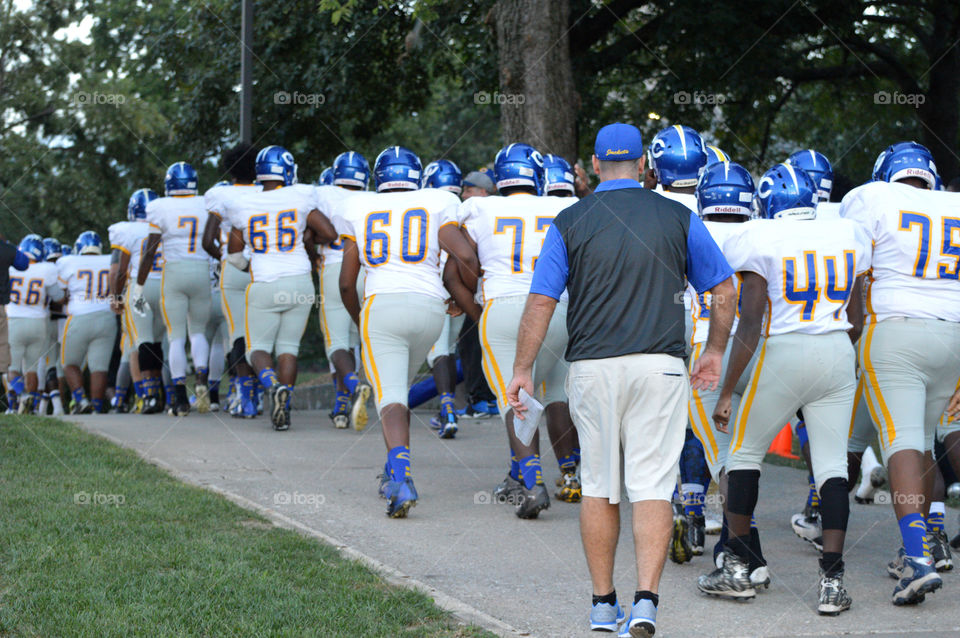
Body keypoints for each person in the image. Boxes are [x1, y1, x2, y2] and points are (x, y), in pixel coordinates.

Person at [506, 123, 735, 637]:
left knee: (600, 488)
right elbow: (723, 287)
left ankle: (602, 605)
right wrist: (715, 350)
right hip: (661, 364)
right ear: (644, 166)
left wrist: (522, 369)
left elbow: (542, 300)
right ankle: (647, 601)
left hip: (592, 365)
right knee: (653, 485)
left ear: (592, 164)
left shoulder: (569, 219)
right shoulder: (679, 215)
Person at [698, 162, 869, 616]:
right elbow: (857, 315)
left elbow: (749, 322)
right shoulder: (844, 233)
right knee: (832, 467)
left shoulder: (760, 236)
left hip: (782, 351)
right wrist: (829, 347)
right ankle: (832, 581)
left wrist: (727, 390)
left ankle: (736, 566)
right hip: (835, 349)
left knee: (741, 455)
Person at [843, 141, 960, 604]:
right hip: (952, 332)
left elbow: (849, 268)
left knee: (901, 442)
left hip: (894, 328)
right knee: (927, 439)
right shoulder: (953, 203)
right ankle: (925, 538)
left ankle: (918, 560)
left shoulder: (870, 198)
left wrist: (846, 334)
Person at [443, 143, 581, 517]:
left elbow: (455, 269)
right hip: (557, 308)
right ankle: (544, 474)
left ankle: (533, 482)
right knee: (552, 394)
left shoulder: (479, 206)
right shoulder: (562, 206)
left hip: (504, 306)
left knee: (515, 399)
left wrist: (476, 311)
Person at [336, 145, 470, 518]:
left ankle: (401, 478)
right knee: (398, 392)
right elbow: (467, 256)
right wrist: (463, 296)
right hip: (430, 309)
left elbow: (347, 282)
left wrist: (359, 316)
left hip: (384, 305)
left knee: (391, 396)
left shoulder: (358, 206)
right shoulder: (437, 201)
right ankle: (392, 471)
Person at [682, 161, 760, 576]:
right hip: (760, 353)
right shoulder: (762, 231)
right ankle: (745, 548)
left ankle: (739, 553)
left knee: (725, 461)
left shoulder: (691, 229)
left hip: (709, 350)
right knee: (745, 457)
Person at [224, 145, 336, 430]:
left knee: (257, 349)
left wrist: (255, 267)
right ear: (287, 169)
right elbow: (330, 233)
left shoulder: (244, 204)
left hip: (264, 282)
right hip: (299, 280)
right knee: (289, 349)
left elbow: (234, 255)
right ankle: (283, 408)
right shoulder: (300, 196)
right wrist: (303, 236)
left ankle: (273, 386)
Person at [136, 161, 212, 416]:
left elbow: (150, 251)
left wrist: (139, 284)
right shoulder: (206, 202)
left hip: (175, 272)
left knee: (176, 337)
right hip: (201, 270)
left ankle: (179, 399)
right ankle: (201, 382)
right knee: (198, 332)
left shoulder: (160, 207)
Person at [313, 150, 372, 431]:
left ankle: (352, 388)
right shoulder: (373, 198)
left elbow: (309, 230)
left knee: (336, 342)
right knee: (360, 339)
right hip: (368, 271)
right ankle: (340, 405)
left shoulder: (321, 193)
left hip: (336, 268)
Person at [202, 144, 262, 418]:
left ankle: (244, 393)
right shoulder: (268, 192)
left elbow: (207, 240)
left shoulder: (221, 195)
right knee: (261, 333)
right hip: (264, 269)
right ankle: (259, 393)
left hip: (234, 270)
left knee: (238, 333)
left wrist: (227, 257)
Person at [109, 188, 165, 414]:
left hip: (140, 292)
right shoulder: (166, 224)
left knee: (142, 341)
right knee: (163, 343)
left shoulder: (126, 230)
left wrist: (116, 295)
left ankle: (148, 396)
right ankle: (170, 396)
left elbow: (120, 271)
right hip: (165, 289)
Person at [422, 158, 464, 438]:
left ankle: (448, 410)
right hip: (458, 284)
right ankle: (445, 408)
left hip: (432, 283)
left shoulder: (423, 206)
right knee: (447, 350)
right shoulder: (464, 208)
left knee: (438, 352)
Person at [57, 231, 117, 414]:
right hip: (106, 317)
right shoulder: (110, 259)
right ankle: (97, 408)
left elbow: (61, 294)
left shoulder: (68, 262)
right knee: (99, 367)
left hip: (79, 316)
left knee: (68, 363)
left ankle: (81, 400)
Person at [6, 234, 62, 414]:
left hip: (14, 321)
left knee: (11, 367)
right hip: (39, 323)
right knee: (32, 367)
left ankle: (22, 397)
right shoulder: (46, 269)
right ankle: (30, 407)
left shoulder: (10, 268)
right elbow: (58, 297)